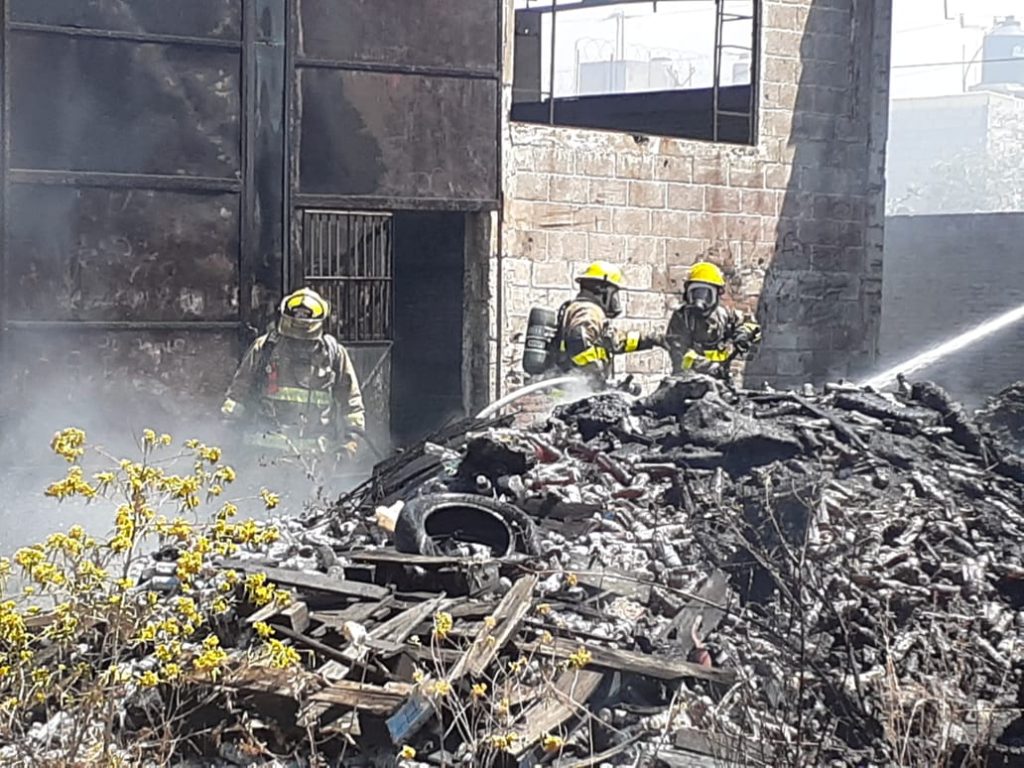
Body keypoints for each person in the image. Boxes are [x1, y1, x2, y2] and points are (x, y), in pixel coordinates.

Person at [220, 287, 365, 468]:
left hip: (315, 463)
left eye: (306, 340)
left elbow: (352, 406)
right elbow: (237, 397)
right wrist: (229, 439)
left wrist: (349, 445)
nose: (300, 346)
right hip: (263, 462)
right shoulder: (265, 349)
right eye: (294, 340)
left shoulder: (334, 354)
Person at [553, 261, 665, 386]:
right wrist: (601, 381)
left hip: (577, 389)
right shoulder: (588, 310)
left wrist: (652, 339)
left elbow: (614, 341)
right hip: (570, 392)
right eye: (614, 292)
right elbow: (579, 345)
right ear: (602, 290)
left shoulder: (587, 310)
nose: (615, 299)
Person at [664, 261, 761, 380]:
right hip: (687, 381)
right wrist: (711, 367)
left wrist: (743, 334)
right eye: (696, 292)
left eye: (706, 293)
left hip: (720, 381)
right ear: (688, 293)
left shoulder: (724, 314)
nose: (700, 298)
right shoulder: (682, 318)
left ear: (717, 294)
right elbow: (680, 353)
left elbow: (751, 325)